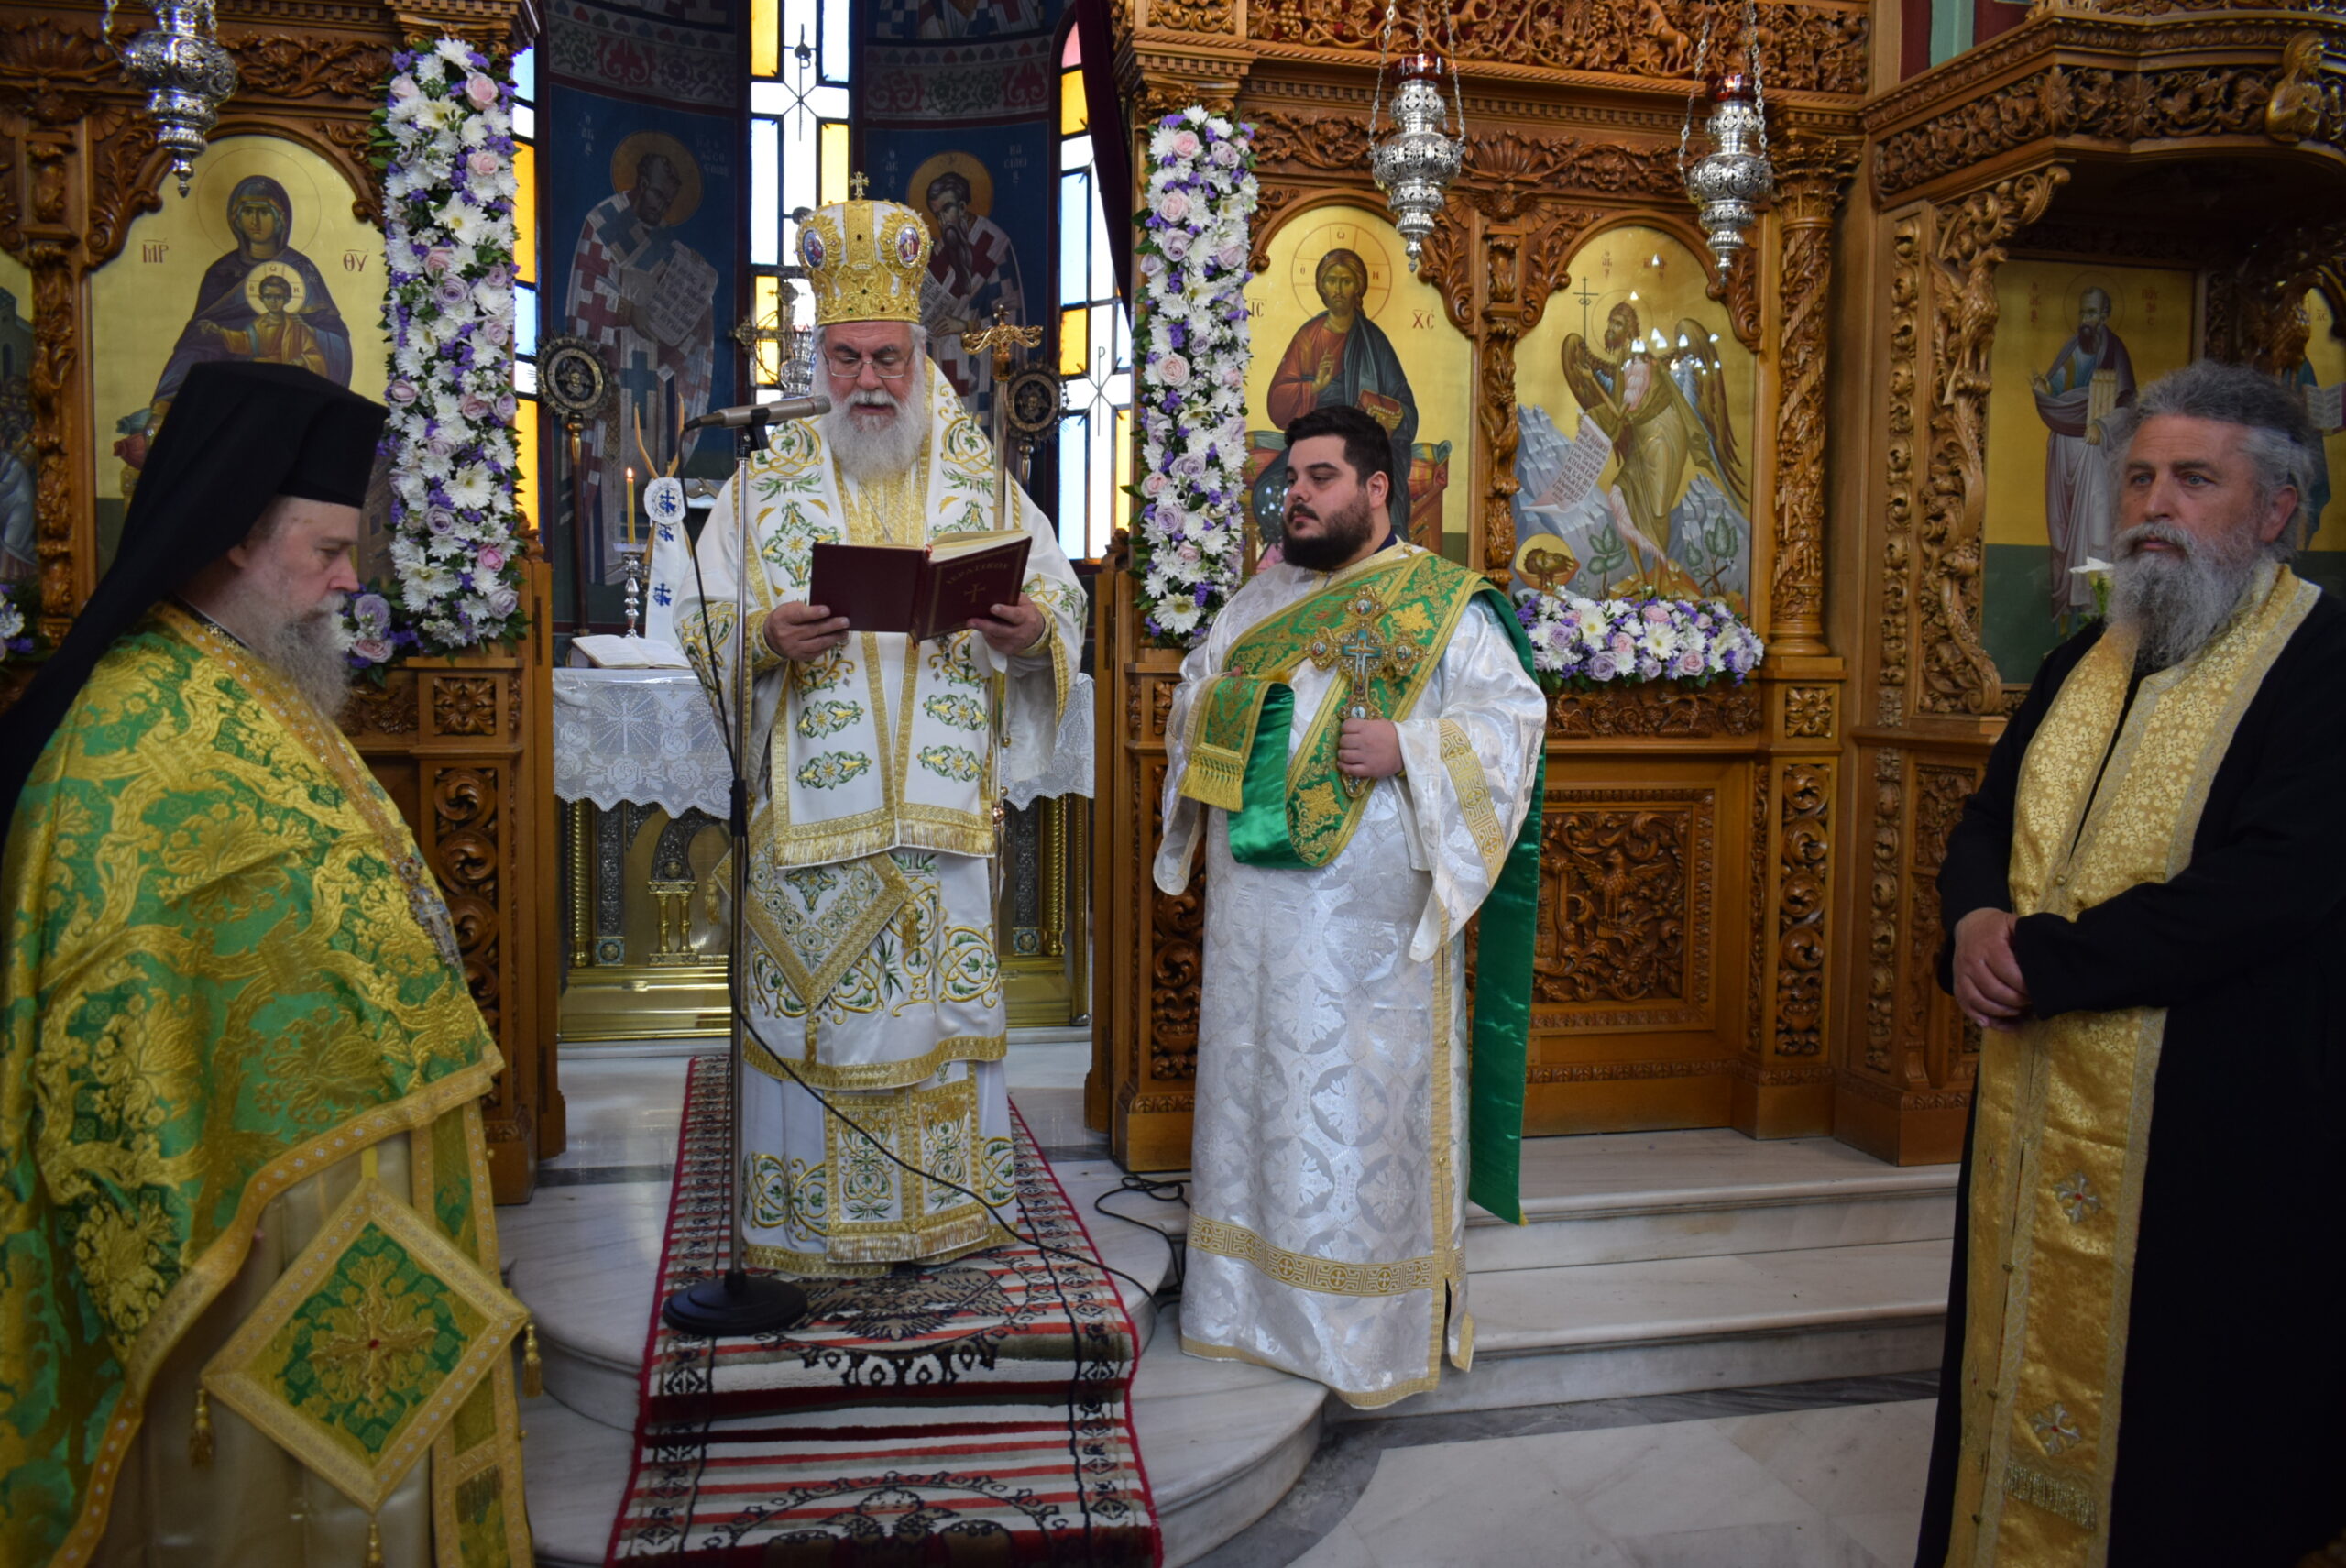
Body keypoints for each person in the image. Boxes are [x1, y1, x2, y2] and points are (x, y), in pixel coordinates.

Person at [0, 362, 532, 1568]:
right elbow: (115, 1029)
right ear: (235, 536)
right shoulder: (128, 740)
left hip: (321, 1216)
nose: (352, 579)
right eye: (330, 549)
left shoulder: (233, 684)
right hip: (244, 1235)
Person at [1924, 359, 2346, 1567]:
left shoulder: (2322, 664)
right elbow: (1986, 824)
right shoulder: (2083, 657)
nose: (2154, 501)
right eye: (2141, 474)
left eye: (2193, 479)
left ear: (2273, 508)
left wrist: (2040, 959)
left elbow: (2274, 884)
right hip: (2038, 1094)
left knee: (2188, 1413)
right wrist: (1971, 924)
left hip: (2226, 1112)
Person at [674, 190, 1086, 1277]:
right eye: (847, 358)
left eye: (887, 359)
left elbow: (1061, 597)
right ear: (818, 361)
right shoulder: (762, 491)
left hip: (944, 827)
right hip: (812, 823)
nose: (868, 381)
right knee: (828, 1029)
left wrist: (1033, 623)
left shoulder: (980, 480)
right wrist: (762, 636)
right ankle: (811, 1230)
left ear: (919, 359)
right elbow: (698, 618)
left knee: (933, 1029)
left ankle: (940, 1219)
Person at [1155, 402, 1548, 1408]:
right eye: (1291, 478)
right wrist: (1229, 709)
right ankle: (1243, 1305)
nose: (1296, 495)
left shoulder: (1446, 606)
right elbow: (1196, 690)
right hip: (1257, 932)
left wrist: (1410, 750)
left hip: (1373, 948)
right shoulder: (1258, 599)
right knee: (1259, 1105)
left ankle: (1360, 1329)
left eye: (1320, 478)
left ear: (1378, 490)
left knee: (1353, 1127)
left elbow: (1511, 721)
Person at [116, 174, 355, 499]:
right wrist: (166, 401)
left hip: (288, 398)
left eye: (264, 211)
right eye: (247, 211)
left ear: (281, 217)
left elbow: (334, 337)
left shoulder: (302, 270)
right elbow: (197, 344)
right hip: (231, 398)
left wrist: (302, 334)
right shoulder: (221, 273)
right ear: (235, 219)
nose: (255, 220)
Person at [565, 134, 718, 584]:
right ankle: (618, 567)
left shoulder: (668, 246)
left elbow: (684, 313)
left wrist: (692, 310)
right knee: (617, 460)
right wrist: (629, 311)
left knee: (653, 458)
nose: (660, 206)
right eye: (654, 194)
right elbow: (584, 294)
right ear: (636, 184)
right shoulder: (604, 224)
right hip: (611, 375)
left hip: (653, 379)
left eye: (668, 199)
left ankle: (656, 565)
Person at [1258, 248, 1419, 537]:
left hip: (1362, 447)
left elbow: (1404, 402)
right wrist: (1314, 387)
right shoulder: (1309, 337)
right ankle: (1297, 557)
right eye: (1331, 281)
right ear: (1321, 286)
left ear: (1358, 286)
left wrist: (1397, 418)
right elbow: (1277, 402)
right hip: (1313, 445)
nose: (1338, 289)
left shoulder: (1373, 341)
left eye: (1346, 281)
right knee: (1269, 488)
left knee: (1379, 485)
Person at [2032, 285, 2138, 624]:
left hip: (2093, 447)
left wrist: (2103, 426)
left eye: (2092, 313)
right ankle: (2065, 608)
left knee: (2094, 526)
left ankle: (2095, 612)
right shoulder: (2072, 347)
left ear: (2105, 317)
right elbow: (2057, 389)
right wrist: (2044, 391)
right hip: (2062, 445)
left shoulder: (2114, 351)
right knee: (2060, 528)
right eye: (2082, 313)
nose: (2085, 320)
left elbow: (2128, 406)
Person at [918, 168, 1025, 423]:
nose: (942, 221)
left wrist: (965, 326)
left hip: (980, 369)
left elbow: (1011, 319)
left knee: (975, 436)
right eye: (936, 214)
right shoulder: (938, 253)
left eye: (947, 210)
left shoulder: (992, 246)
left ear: (963, 206)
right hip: (940, 364)